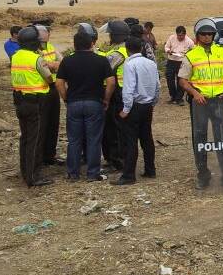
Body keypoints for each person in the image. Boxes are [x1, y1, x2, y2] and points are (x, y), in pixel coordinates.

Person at [178, 18, 223, 192]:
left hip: (220, 101)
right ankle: (203, 176)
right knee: (200, 138)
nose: (207, 37)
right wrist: (195, 93)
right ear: (198, 36)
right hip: (201, 102)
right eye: (203, 34)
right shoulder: (191, 55)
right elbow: (182, 80)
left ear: (214, 35)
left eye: (210, 34)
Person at [55, 27, 115, 182]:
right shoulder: (101, 60)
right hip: (94, 103)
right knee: (94, 139)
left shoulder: (67, 61)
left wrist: (66, 98)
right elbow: (111, 82)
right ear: (92, 44)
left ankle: (73, 173)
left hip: (74, 103)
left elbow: (59, 82)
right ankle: (93, 173)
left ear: (74, 45)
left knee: (74, 140)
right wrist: (106, 99)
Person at [10, 26, 53, 187]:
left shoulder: (16, 56)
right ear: (34, 42)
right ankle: (33, 176)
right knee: (36, 139)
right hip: (36, 102)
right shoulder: (36, 59)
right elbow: (48, 77)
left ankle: (25, 171)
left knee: (26, 137)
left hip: (20, 100)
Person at [115, 36, 160, 185]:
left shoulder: (130, 64)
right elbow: (157, 85)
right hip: (147, 105)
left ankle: (128, 175)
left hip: (135, 106)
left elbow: (128, 89)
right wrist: (153, 102)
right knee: (147, 138)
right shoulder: (151, 63)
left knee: (131, 140)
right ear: (141, 48)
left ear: (127, 49)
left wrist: (126, 109)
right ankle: (150, 169)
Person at [103, 20, 131, 171]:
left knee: (114, 128)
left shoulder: (117, 53)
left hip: (117, 94)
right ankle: (123, 158)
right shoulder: (127, 50)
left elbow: (104, 69)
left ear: (115, 36)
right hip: (126, 92)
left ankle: (116, 161)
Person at [35, 24, 64, 166]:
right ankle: (39, 157)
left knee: (53, 123)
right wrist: (54, 65)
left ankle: (49, 155)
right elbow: (44, 68)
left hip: (53, 88)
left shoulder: (50, 47)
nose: (48, 35)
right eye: (46, 33)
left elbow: (63, 63)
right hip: (41, 90)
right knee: (42, 125)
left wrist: (52, 65)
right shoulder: (34, 50)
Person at [164, 26, 194, 105]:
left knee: (181, 81)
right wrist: (168, 51)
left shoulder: (189, 41)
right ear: (176, 34)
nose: (180, 37)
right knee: (169, 79)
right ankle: (173, 96)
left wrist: (188, 54)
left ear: (185, 34)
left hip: (182, 62)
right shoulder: (172, 38)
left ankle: (179, 98)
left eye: (182, 35)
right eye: (178, 35)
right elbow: (166, 47)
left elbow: (193, 51)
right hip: (171, 61)